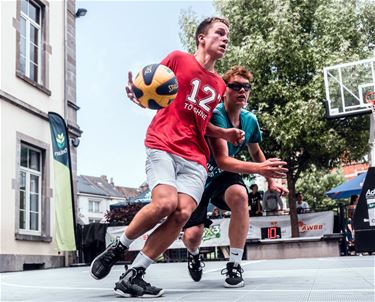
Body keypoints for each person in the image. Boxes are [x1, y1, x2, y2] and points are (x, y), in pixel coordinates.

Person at [90, 17, 243, 298]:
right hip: (163, 143)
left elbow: (201, 121)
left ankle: (133, 275)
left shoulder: (220, 85)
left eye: (227, 36)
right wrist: (136, 94)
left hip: (195, 156)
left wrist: (226, 133)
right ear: (201, 38)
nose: (225, 39)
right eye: (220, 33)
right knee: (165, 203)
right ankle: (119, 247)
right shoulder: (177, 59)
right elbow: (151, 89)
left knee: (182, 214)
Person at [182, 66, 289, 288]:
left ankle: (234, 264)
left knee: (241, 196)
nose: (242, 90)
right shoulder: (216, 114)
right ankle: (193, 254)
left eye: (246, 87)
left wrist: (270, 179)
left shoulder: (250, 120)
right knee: (193, 236)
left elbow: (256, 151)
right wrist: (261, 170)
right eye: (236, 86)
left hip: (224, 177)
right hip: (200, 175)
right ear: (224, 90)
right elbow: (222, 159)